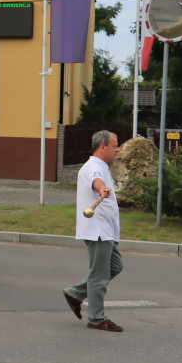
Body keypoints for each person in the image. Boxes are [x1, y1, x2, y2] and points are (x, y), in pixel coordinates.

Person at [62, 131, 124, 332]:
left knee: (115, 266)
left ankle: (75, 293)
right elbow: (96, 182)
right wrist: (102, 188)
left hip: (107, 230)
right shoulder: (93, 168)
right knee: (99, 275)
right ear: (102, 147)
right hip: (97, 230)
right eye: (114, 145)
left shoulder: (102, 166)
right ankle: (97, 318)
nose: (117, 149)